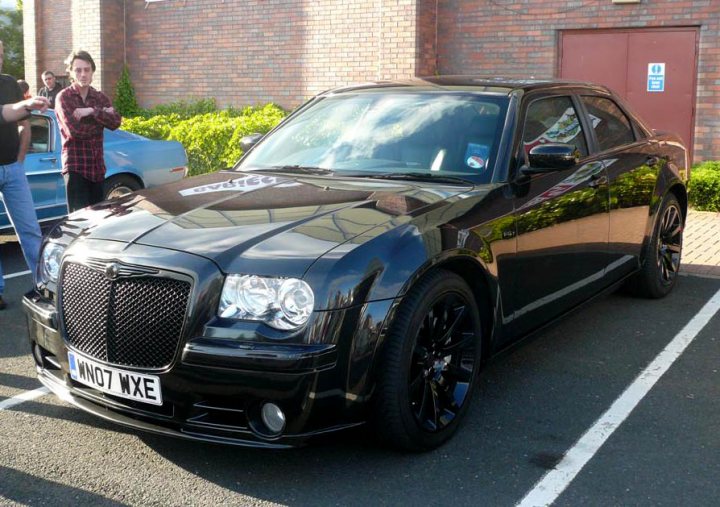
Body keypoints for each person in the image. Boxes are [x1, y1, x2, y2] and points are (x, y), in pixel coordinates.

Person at [0, 40, 48, 311]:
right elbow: (7, 112)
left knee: (30, 230)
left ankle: (44, 287)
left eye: (2, 55)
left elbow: (23, 124)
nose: (0, 60)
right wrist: (25, 104)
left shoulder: (8, 83)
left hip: (12, 170)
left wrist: (19, 162)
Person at [55, 50, 121, 213]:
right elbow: (75, 131)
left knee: (98, 220)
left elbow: (116, 122)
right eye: (78, 70)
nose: (83, 74)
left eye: (87, 69)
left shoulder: (99, 97)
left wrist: (91, 111)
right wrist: (102, 117)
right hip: (76, 166)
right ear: (70, 72)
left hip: (97, 167)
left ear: (92, 71)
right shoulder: (64, 97)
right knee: (80, 222)